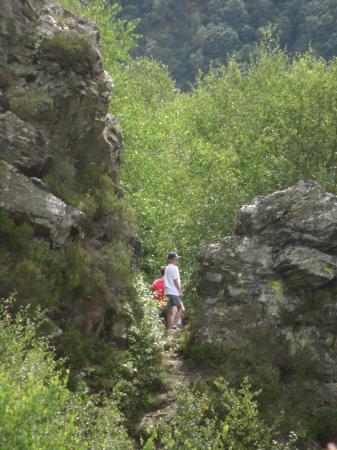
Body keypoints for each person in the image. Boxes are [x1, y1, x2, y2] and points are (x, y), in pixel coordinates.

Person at [164, 251, 185, 330]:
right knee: (181, 308)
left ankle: (169, 329)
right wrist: (180, 291)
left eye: (177, 259)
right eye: (175, 259)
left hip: (167, 291)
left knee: (170, 311)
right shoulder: (174, 268)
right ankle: (174, 326)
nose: (176, 261)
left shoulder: (167, 268)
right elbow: (175, 280)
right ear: (170, 260)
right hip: (174, 291)